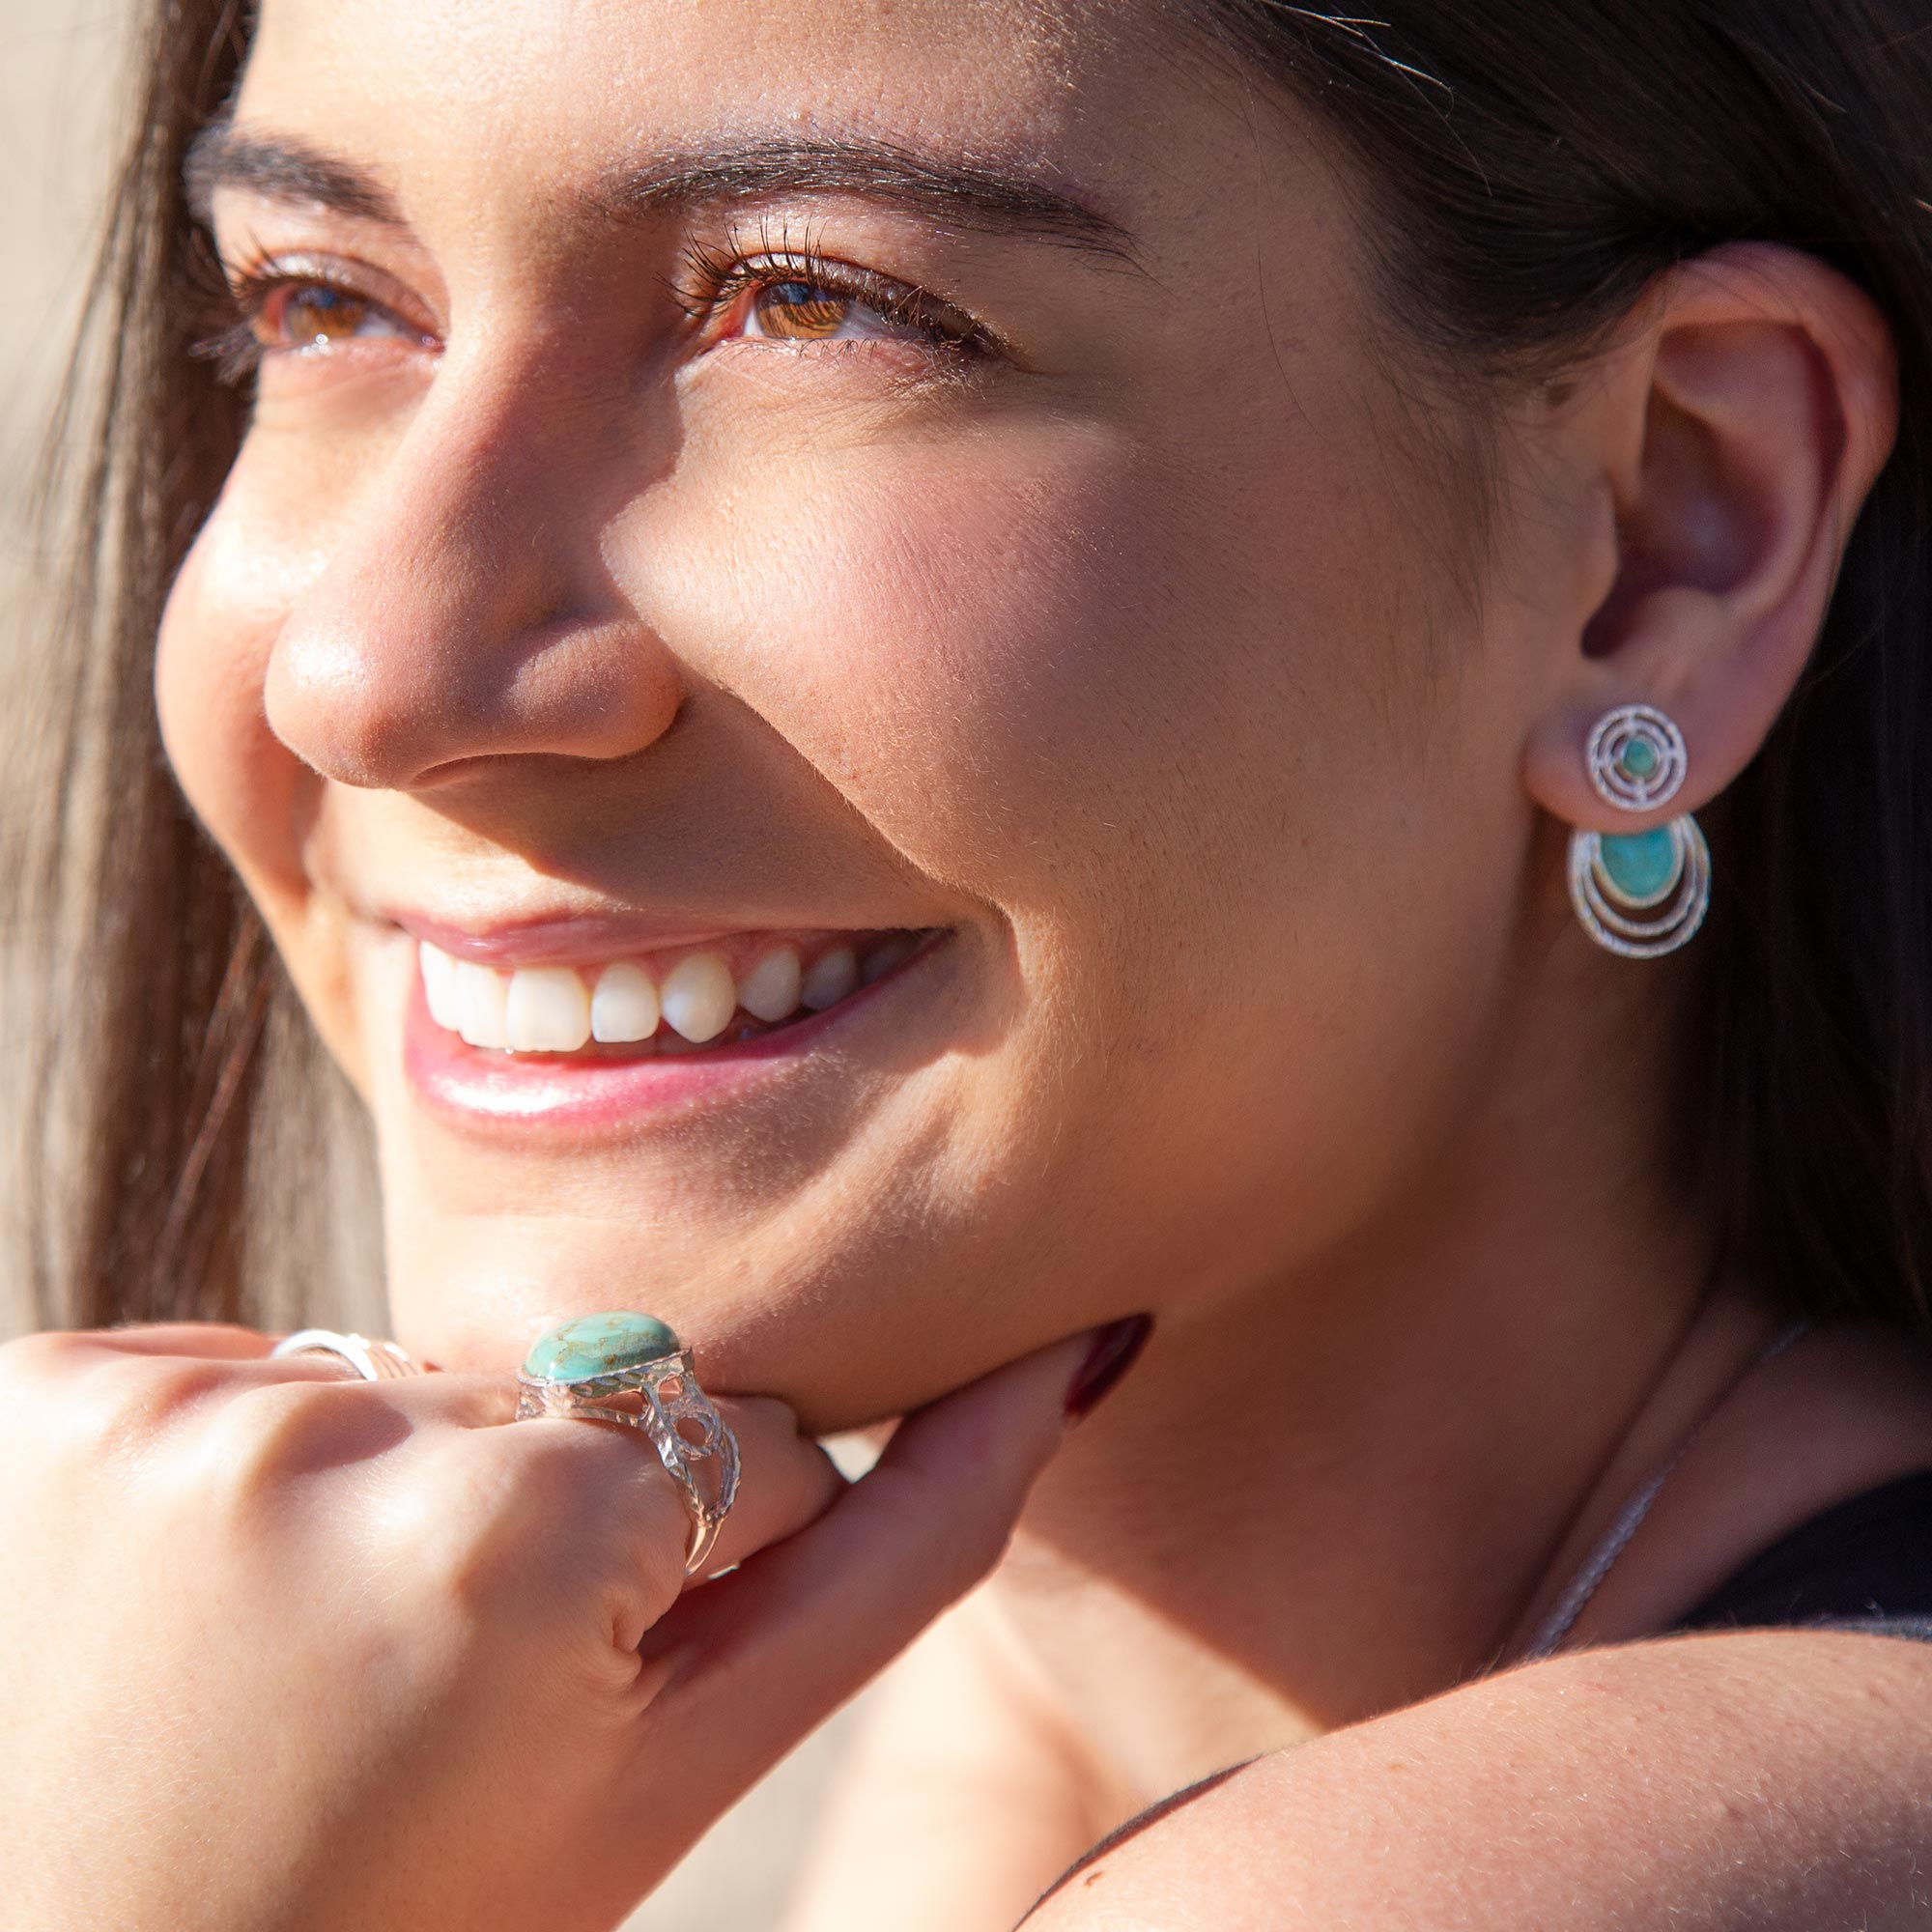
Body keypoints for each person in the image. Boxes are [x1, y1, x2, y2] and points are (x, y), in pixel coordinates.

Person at [6, 0, 1932, 1923]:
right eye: (324, 305)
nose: (370, 674)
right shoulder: (1021, 1708)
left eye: (817, 305)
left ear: (1673, 530)